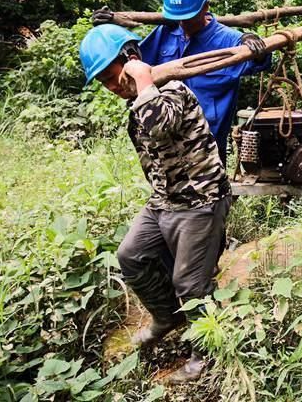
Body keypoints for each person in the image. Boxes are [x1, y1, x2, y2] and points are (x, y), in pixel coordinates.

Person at [78, 24, 233, 384]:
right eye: (104, 82)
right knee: (130, 255)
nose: (113, 86)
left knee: (190, 284)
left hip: (200, 199)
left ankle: (206, 356)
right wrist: (136, 84)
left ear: (131, 59)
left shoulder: (171, 90)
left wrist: (143, 79)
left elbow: (160, 125)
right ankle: (168, 317)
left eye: (113, 75)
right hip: (165, 200)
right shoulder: (139, 97)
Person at [93, 0, 270, 162]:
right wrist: (111, 32)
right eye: (179, 18)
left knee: (211, 189)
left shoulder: (229, 40)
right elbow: (134, 63)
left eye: (190, 18)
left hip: (206, 145)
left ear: (206, 7)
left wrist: (255, 45)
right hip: (165, 139)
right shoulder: (165, 33)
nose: (184, 24)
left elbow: (262, 62)